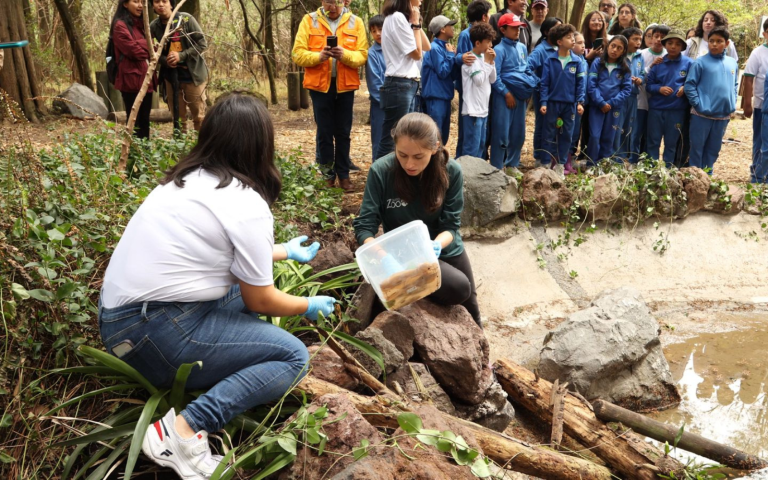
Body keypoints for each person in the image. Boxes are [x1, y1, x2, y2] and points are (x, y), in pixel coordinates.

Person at [99, 93, 336, 479]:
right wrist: (307, 304)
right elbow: (260, 298)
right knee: (294, 357)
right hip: (154, 332)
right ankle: (184, 430)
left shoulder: (182, 182)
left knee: (234, 294)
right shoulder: (245, 202)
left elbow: (212, 257)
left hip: (122, 321)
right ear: (262, 145)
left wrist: (283, 252)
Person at [354, 112, 481, 327]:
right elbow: (364, 228)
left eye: (418, 157)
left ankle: (483, 359)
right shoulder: (381, 171)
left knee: (464, 293)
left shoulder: (451, 171)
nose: (409, 163)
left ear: (435, 147)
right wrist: (384, 257)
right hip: (399, 254)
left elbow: (451, 227)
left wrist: (435, 246)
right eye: (402, 155)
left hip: (441, 247)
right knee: (386, 304)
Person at [291, 0, 368, 192]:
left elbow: (362, 55)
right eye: (327, 2)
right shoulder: (309, 20)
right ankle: (327, 175)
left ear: (346, 1)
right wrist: (319, 56)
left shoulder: (356, 22)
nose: (331, 6)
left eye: (336, 2)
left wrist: (344, 55)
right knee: (324, 132)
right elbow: (297, 54)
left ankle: (343, 175)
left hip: (345, 86)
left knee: (343, 132)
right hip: (319, 87)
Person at [375, 0, 431, 159]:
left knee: (403, 138)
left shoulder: (403, 20)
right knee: (392, 139)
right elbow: (417, 53)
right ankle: (379, 180)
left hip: (407, 85)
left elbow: (427, 46)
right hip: (399, 85)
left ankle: (395, 180)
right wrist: (415, 25)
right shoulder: (396, 18)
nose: (421, 1)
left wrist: (416, 23)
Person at [684, 26, 738, 174]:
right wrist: (699, 105)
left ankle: (708, 178)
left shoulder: (732, 63)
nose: (714, 44)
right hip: (701, 115)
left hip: (722, 116)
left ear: (726, 44)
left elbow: (735, 85)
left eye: (719, 41)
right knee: (697, 149)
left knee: (713, 150)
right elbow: (689, 86)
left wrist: (732, 103)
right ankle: (695, 180)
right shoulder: (700, 62)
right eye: (712, 41)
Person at [150, 0, 208, 133]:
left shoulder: (186, 19)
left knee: (199, 117)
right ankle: (180, 150)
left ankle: (201, 148)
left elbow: (202, 43)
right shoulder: (154, 26)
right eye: (157, 2)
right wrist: (165, 60)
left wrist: (181, 56)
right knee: (178, 118)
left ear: (171, 4)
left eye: (164, 1)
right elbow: (152, 51)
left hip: (193, 76)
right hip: (171, 78)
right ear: (152, 6)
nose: (161, 4)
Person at [491, 13, 536, 172]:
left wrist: (528, 86)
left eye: (519, 27)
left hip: (520, 95)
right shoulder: (498, 49)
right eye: (513, 28)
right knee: (501, 133)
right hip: (504, 97)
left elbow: (525, 69)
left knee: (518, 133)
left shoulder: (522, 47)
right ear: (503, 29)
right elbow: (494, 76)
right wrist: (506, 93)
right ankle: (496, 167)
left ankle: (512, 164)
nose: (517, 31)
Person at [539, 24, 586, 177]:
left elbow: (580, 84)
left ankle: (560, 164)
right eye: (568, 37)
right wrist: (544, 102)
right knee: (549, 133)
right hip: (552, 104)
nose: (573, 40)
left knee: (567, 134)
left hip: (570, 105)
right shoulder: (550, 60)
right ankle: (546, 163)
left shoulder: (577, 61)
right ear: (559, 42)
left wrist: (580, 102)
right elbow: (544, 83)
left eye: (573, 37)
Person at [645, 30, 692, 167]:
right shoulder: (658, 63)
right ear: (665, 45)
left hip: (677, 110)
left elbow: (693, 82)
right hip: (656, 109)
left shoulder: (689, 64)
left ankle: (668, 170)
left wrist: (685, 88)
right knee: (653, 141)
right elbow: (649, 86)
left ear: (682, 47)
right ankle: (651, 170)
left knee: (671, 142)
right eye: (670, 43)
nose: (673, 46)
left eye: (677, 44)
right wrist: (659, 89)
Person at [110, 0, 156, 139]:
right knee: (134, 121)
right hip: (130, 81)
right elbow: (135, 52)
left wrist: (144, 45)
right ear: (125, 4)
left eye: (142, 2)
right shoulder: (119, 25)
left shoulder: (143, 25)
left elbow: (155, 47)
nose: (140, 5)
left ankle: (145, 155)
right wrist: (148, 46)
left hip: (147, 80)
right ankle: (133, 154)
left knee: (145, 121)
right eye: (136, 2)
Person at [453, 0, 491, 158]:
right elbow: (464, 60)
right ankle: (463, 166)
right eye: (488, 15)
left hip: (482, 92)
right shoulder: (466, 35)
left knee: (479, 136)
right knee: (467, 133)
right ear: (483, 16)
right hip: (470, 91)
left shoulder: (484, 36)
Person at [587, 35, 632, 162]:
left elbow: (626, 89)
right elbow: (591, 85)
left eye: (619, 48)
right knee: (595, 136)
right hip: (597, 106)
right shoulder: (598, 62)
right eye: (613, 46)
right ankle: (592, 163)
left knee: (609, 136)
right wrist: (601, 102)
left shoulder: (625, 66)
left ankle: (604, 162)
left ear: (623, 51)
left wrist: (611, 103)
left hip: (614, 108)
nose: (615, 50)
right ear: (608, 46)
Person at [528, 17, 562, 167]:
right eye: (557, 29)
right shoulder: (540, 50)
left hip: (558, 95)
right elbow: (527, 68)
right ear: (547, 32)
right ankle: (539, 157)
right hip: (543, 95)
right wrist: (539, 83)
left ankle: (552, 155)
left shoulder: (560, 49)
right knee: (542, 125)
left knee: (555, 125)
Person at [461, 23, 497, 158]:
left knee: (481, 146)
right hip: (472, 111)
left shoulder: (484, 58)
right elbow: (479, 80)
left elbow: (492, 79)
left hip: (483, 110)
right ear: (477, 42)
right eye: (488, 42)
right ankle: (467, 177)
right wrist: (487, 63)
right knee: (472, 148)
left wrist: (491, 63)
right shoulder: (470, 59)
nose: (491, 45)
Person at [422, 15, 457, 144]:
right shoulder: (435, 48)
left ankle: (440, 161)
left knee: (444, 135)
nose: (453, 29)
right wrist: (449, 55)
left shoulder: (445, 47)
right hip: (435, 97)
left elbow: (451, 75)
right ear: (442, 29)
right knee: (435, 135)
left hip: (445, 96)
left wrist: (453, 56)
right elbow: (442, 71)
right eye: (450, 26)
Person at [635, 24, 669, 159]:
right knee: (637, 131)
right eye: (656, 36)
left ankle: (648, 160)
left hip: (659, 102)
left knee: (653, 134)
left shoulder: (669, 55)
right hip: (641, 99)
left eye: (662, 37)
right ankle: (634, 158)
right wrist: (652, 66)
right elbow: (638, 75)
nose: (659, 39)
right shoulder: (641, 54)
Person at [576, 11, 607, 159]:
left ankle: (585, 153)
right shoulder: (580, 41)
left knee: (590, 122)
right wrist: (588, 57)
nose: (597, 22)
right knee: (577, 122)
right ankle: (571, 152)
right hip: (580, 88)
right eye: (593, 19)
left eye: (600, 20)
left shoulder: (607, 43)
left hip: (597, 89)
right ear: (587, 22)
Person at [743, 18, 768, 182]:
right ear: (765, 34)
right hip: (761, 105)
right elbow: (749, 78)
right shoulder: (758, 53)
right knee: (760, 141)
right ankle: (757, 174)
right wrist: (747, 103)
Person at [614, 27, 643, 163]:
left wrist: (640, 79)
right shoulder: (620, 57)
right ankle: (614, 156)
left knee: (628, 127)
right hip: (620, 96)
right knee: (617, 126)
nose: (638, 42)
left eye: (640, 39)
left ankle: (622, 156)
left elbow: (642, 72)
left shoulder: (639, 57)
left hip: (633, 96)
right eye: (635, 39)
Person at [366, 15, 386, 161]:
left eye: (380, 29)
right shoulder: (372, 53)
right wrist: (388, 102)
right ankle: (377, 172)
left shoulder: (396, 48)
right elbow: (375, 84)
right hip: (381, 105)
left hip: (399, 102)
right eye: (373, 31)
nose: (377, 33)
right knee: (379, 140)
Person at [569, 32, 589, 166]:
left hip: (582, 103)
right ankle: (562, 160)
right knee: (568, 132)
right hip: (572, 102)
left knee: (576, 132)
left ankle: (570, 159)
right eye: (579, 43)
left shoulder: (584, 61)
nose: (583, 46)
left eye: (584, 43)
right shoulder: (570, 61)